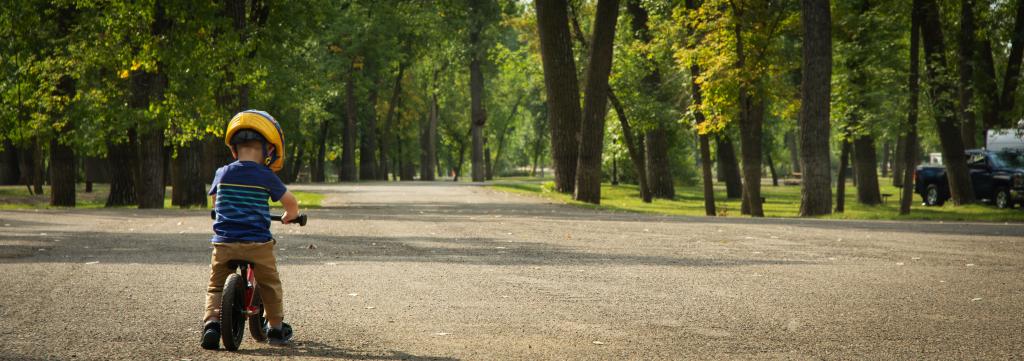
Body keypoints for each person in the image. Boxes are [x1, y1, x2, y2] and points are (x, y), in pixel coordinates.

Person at [201, 110, 300, 349]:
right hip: (257, 244)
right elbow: (290, 202)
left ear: (234, 150)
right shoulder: (265, 176)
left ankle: (212, 324)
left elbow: (215, 201)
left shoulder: (222, 173)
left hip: (224, 242)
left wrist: (222, 212)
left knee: (216, 284)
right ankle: (275, 328)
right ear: (268, 151)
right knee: (269, 283)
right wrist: (290, 216)